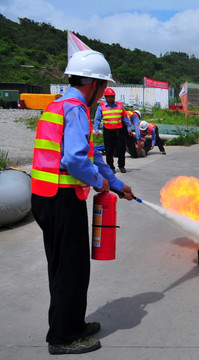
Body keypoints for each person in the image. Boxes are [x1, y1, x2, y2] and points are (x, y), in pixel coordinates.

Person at [30, 49, 135, 355]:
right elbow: (75, 160)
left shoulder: (59, 105)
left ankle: (72, 322)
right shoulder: (75, 109)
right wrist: (98, 181)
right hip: (62, 200)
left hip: (47, 199)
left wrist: (115, 184)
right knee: (71, 270)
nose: (103, 96)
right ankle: (63, 337)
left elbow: (92, 154)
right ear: (94, 85)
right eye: (103, 89)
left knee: (64, 266)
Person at [93, 88, 132, 173]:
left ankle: (121, 166)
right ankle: (111, 167)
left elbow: (125, 118)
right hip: (108, 131)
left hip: (119, 130)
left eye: (112, 96)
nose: (111, 98)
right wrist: (96, 130)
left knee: (121, 149)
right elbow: (97, 119)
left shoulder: (120, 105)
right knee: (109, 150)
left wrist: (129, 128)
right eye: (109, 97)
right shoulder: (101, 107)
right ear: (106, 97)